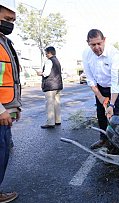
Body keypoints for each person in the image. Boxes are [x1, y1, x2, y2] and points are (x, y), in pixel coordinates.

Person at [82, 29, 119, 149]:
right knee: (100, 114)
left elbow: (116, 82)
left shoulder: (114, 54)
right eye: (93, 44)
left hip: (114, 87)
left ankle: (113, 143)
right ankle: (103, 139)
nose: (96, 47)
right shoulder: (86, 54)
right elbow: (90, 79)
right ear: (88, 43)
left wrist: (111, 105)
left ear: (104, 40)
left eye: (99, 43)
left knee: (113, 116)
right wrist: (100, 98)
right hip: (100, 87)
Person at [0, 1, 21, 202]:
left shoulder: (4, 42)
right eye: (7, 19)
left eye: (13, 20)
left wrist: (15, 105)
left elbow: (8, 78)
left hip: (6, 108)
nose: (10, 24)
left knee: (4, 150)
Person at [36, 46, 63, 129]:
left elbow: (46, 73)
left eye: (46, 53)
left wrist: (40, 73)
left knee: (50, 104)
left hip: (50, 86)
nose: (46, 55)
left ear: (50, 53)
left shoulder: (49, 61)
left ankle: (50, 123)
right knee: (57, 104)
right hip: (58, 85)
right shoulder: (57, 61)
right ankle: (57, 121)